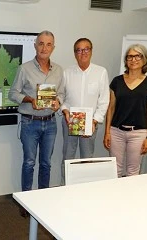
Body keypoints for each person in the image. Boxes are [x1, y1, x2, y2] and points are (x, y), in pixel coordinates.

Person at [8, 30, 63, 217]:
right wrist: (30, 100)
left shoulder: (59, 70)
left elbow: (61, 94)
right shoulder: (24, 69)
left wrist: (58, 102)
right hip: (30, 123)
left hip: (50, 123)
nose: (44, 48)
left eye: (48, 44)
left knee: (46, 164)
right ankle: (26, 202)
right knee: (29, 163)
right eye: (41, 43)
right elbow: (12, 94)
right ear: (35, 45)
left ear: (53, 48)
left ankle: (43, 200)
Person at [103, 44, 147, 177]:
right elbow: (111, 108)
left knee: (133, 172)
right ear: (126, 60)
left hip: (138, 133)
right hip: (116, 131)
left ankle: (130, 198)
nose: (133, 60)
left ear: (144, 59)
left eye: (137, 56)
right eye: (130, 57)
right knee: (114, 171)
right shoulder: (117, 81)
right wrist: (107, 132)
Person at [60, 38, 109, 184]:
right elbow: (60, 96)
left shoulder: (100, 72)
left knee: (87, 159)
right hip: (70, 122)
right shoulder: (66, 72)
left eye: (86, 49)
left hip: (90, 124)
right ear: (75, 53)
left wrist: (95, 121)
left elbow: (104, 100)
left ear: (91, 51)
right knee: (67, 158)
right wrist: (65, 111)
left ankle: (84, 190)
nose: (83, 53)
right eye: (79, 50)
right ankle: (64, 188)